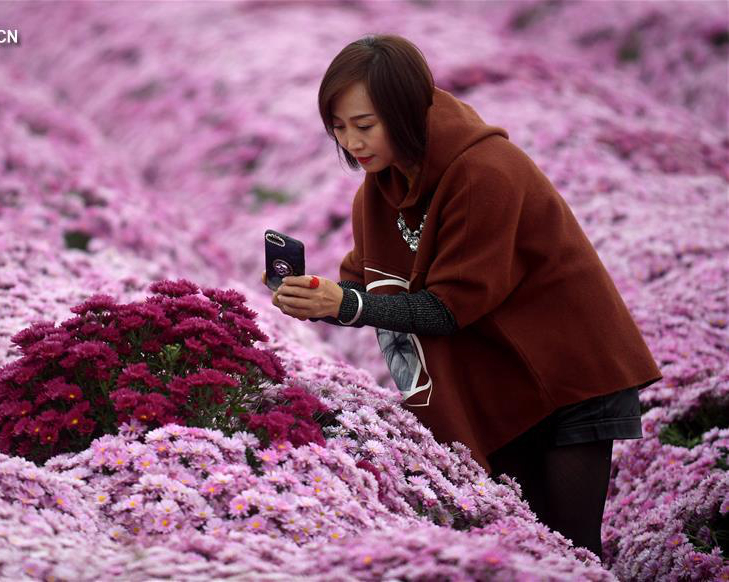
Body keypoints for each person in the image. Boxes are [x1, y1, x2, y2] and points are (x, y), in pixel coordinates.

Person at [260, 34, 662, 560]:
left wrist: (346, 304)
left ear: (406, 112)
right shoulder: (380, 188)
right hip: (500, 379)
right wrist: (317, 296)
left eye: (365, 125)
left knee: (570, 550)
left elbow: (447, 308)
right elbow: (364, 288)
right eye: (338, 128)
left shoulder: (484, 172)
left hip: (568, 374)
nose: (352, 143)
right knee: (528, 549)